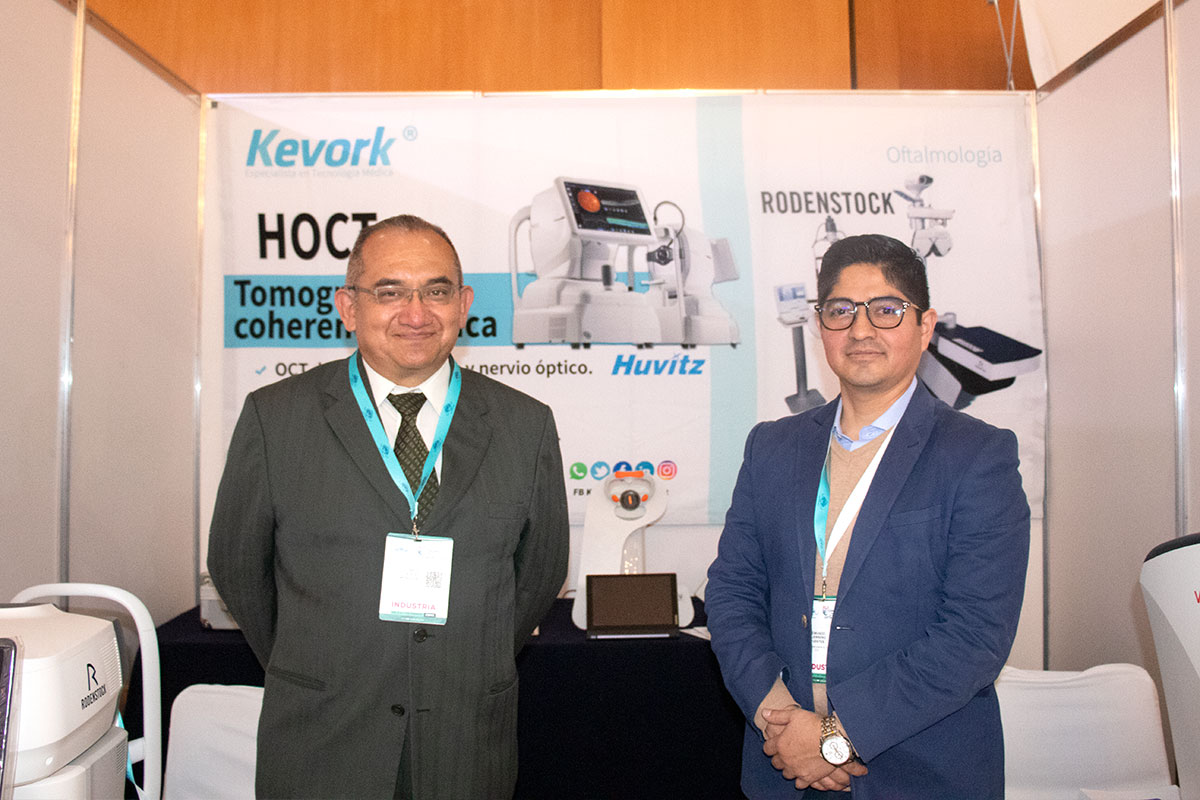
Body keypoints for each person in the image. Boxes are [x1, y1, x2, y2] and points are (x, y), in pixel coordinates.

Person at [208, 214, 569, 799]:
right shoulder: (275, 419)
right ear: (348, 307)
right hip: (322, 740)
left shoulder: (525, 426)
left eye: (436, 291)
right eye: (390, 292)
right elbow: (237, 566)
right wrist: (318, 663)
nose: (416, 313)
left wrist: (463, 659)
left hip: (464, 742)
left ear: (463, 305)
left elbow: (540, 572)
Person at [705, 233, 1030, 799]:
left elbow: (974, 634)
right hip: (784, 767)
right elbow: (732, 593)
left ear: (925, 327)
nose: (861, 330)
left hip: (917, 773)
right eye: (841, 311)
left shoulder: (977, 455)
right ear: (821, 325)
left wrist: (835, 739)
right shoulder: (772, 447)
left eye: (886, 310)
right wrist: (780, 722)